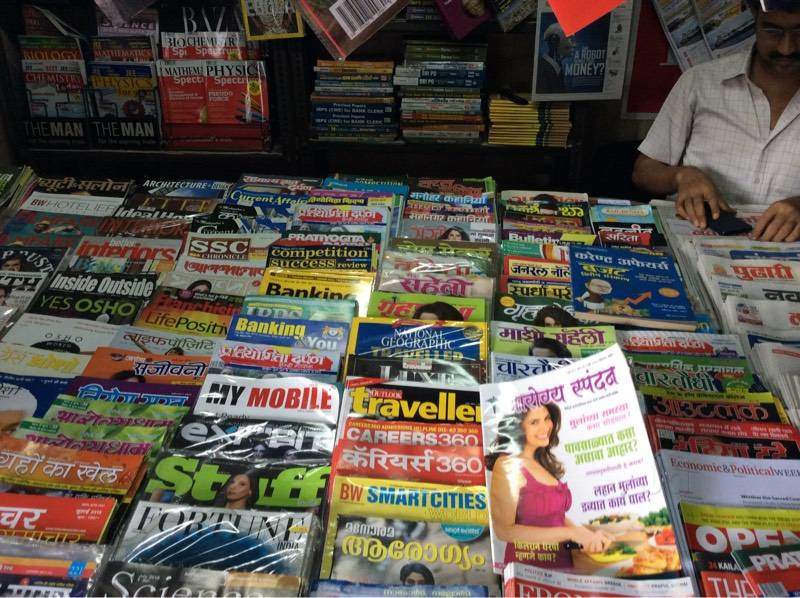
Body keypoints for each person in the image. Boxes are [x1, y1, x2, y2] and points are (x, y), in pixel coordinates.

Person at [632, 0, 800, 241]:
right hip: (695, 238)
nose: (787, 48)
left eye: (799, 32)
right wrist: (681, 176)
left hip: (787, 249)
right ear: (753, 14)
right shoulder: (700, 82)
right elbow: (644, 171)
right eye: (773, 31)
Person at [490, 403, 611, 568]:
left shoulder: (542, 463)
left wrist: (587, 535)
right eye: (534, 422)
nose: (545, 427)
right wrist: (571, 533)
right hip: (528, 568)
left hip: (564, 564)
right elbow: (504, 531)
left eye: (546, 418)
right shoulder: (508, 464)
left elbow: (554, 516)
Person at [537, 22, 573, 94]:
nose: (572, 44)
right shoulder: (543, 67)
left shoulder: (556, 65)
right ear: (554, 41)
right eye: (568, 39)